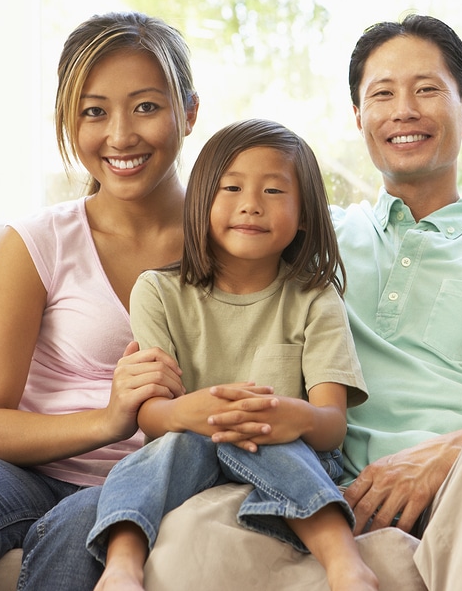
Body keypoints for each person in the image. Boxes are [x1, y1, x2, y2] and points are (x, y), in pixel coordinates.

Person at [199, 14, 462, 590]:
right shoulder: (309, 238)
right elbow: (198, 256)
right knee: (192, 523)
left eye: (427, 90)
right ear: (359, 118)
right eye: (381, 94)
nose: (403, 110)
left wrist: (441, 459)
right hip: (341, 488)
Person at [0, 11, 198, 589]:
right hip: (21, 473)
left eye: (145, 106)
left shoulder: (238, 243)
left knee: (78, 529)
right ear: (69, 121)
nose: (119, 135)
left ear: (189, 111)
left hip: (141, 483)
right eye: (94, 111)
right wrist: (110, 419)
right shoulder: (37, 242)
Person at [86, 118, 377, 591]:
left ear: (304, 214)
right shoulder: (157, 291)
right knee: (166, 449)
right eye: (232, 187)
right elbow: (152, 417)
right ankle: (121, 566)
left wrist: (292, 416)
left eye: (274, 192)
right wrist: (188, 411)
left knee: (267, 430)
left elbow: (332, 423)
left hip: (285, 452)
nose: (250, 206)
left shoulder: (316, 299)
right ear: (201, 201)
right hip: (189, 446)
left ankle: (345, 562)